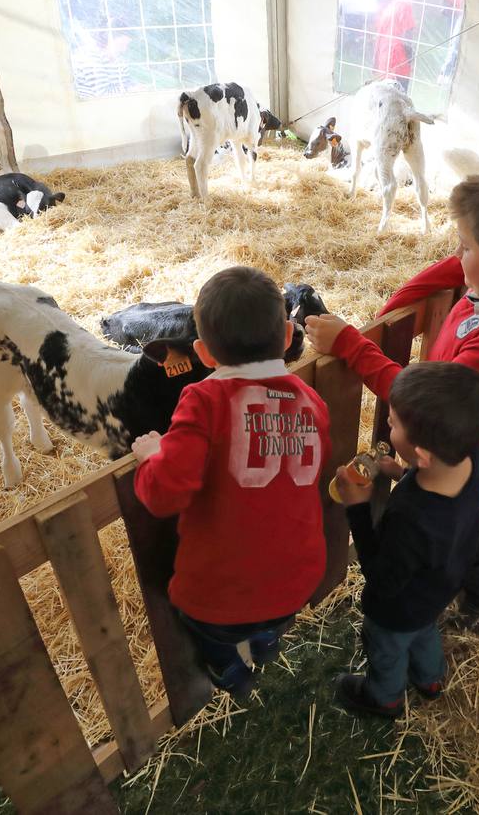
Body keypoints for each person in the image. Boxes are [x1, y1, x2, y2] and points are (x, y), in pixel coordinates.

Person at [306, 168, 479, 633]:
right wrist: (391, 313)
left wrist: (351, 343)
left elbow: (417, 400)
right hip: (458, 452)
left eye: (465, 245)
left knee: (468, 545)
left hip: (475, 470)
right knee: (469, 539)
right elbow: (450, 272)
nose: (457, 253)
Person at [132, 266, 331, 698]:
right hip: (297, 582)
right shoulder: (310, 400)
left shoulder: (203, 399)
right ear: (285, 337)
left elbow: (165, 493)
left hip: (220, 598)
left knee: (214, 633)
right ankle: (264, 646)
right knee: (269, 622)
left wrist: (152, 456)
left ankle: (230, 672)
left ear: (203, 354)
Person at [333, 362, 479, 718]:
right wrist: (404, 472)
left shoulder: (412, 518)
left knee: (387, 649)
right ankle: (430, 679)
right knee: (424, 632)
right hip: (438, 590)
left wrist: (357, 508)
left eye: (392, 422)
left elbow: (382, 577)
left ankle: (384, 697)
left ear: (422, 453)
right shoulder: (475, 461)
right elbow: (442, 494)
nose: (388, 425)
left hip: (395, 610)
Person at [373, 0, 417, 85]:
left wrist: (375, 63)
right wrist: (410, 59)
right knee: (399, 97)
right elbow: (408, 36)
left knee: (385, 95)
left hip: (384, 61)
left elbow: (379, 36)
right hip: (399, 62)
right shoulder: (406, 7)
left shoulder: (388, 8)